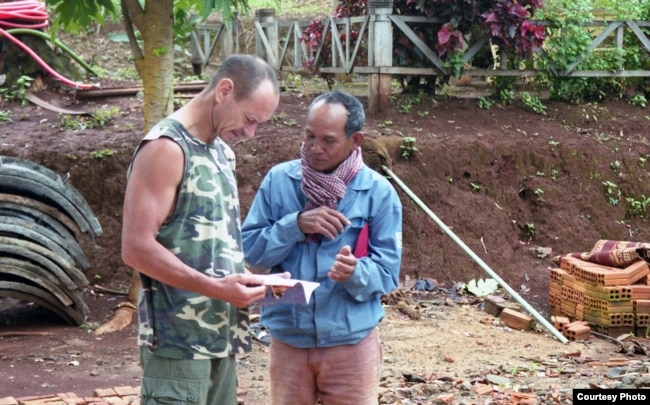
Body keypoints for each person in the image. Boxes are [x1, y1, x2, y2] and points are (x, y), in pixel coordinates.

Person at [121, 54, 280, 405]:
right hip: (178, 348)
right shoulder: (166, 148)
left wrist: (249, 281)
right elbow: (135, 247)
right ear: (225, 90)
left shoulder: (222, 152)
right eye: (250, 118)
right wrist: (216, 287)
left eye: (260, 125)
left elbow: (207, 243)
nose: (251, 133)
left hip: (221, 341)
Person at [242, 90, 403, 405]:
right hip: (289, 341)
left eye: (328, 140)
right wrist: (295, 225)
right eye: (309, 136)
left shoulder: (378, 194)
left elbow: (387, 273)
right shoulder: (279, 182)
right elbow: (252, 252)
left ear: (355, 139)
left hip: (350, 345)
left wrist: (356, 272)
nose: (314, 148)